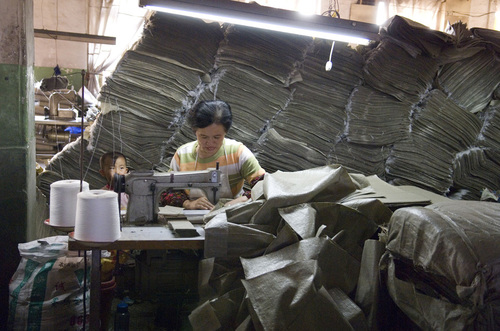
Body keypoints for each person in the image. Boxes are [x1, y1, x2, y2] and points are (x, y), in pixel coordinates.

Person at [161, 100, 265, 210]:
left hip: (231, 216)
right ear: (194, 131)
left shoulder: (238, 153)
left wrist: (245, 199)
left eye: (217, 137)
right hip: (192, 217)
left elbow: (265, 185)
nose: (210, 143)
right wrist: (189, 204)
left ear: (226, 132)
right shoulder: (182, 155)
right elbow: (167, 192)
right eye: (204, 137)